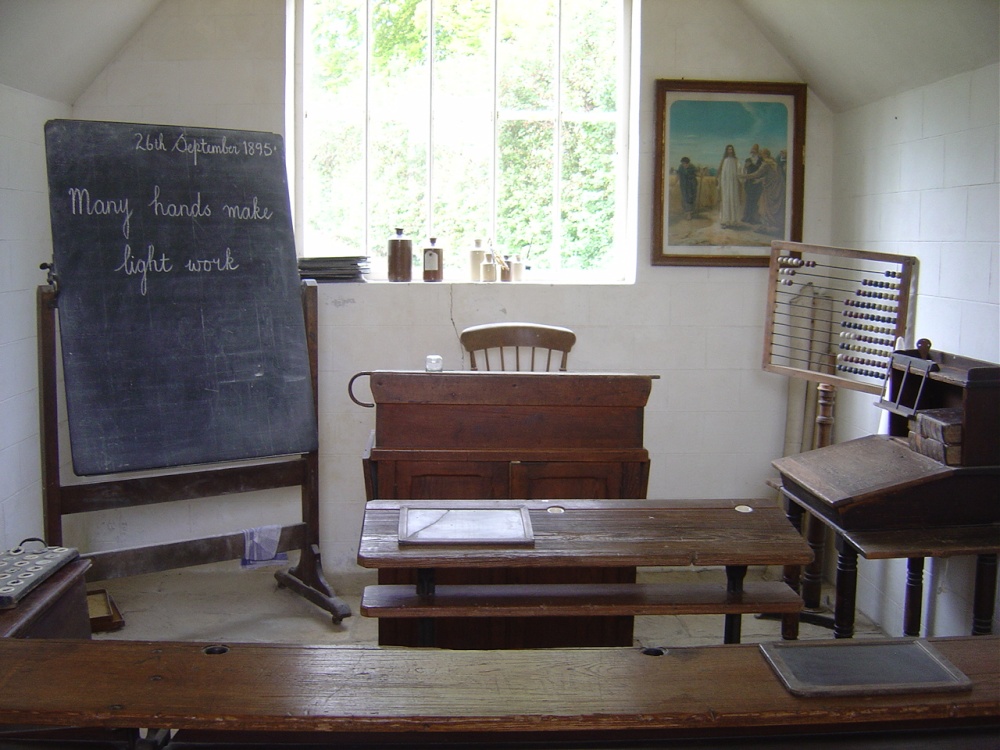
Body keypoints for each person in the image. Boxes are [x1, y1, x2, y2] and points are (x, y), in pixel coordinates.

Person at [747, 148, 786, 233]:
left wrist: (742, 176)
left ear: (764, 155)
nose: (760, 155)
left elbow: (756, 174)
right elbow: (771, 176)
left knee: (764, 207)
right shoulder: (774, 163)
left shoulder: (766, 164)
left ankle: (765, 227)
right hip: (776, 189)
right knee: (768, 207)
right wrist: (761, 180)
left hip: (769, 190)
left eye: (762, 154)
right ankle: (768, 226)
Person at [716, 144, 742, 227]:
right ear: (726, 151)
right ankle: (726, 220)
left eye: (731, 149)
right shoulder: (724, 160)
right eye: (728, 149)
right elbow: (719, 170)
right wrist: (717, 180)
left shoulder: (735, 160)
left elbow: (740, 169)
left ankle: (733, 220)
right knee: (726, 199)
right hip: (725, 182)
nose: (730, 151)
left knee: (733, 198)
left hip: (733, 183)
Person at [741, 144, 762, 224]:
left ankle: (754, 218)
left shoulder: (760, 160)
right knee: (749, 200)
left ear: (757, 152)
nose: (753, 153)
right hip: (749, 183)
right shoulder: (748, 160)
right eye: (752, 152)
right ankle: (747, 217)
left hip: (757, 183)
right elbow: (745, 170)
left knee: (755, 200)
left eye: (754, 151)